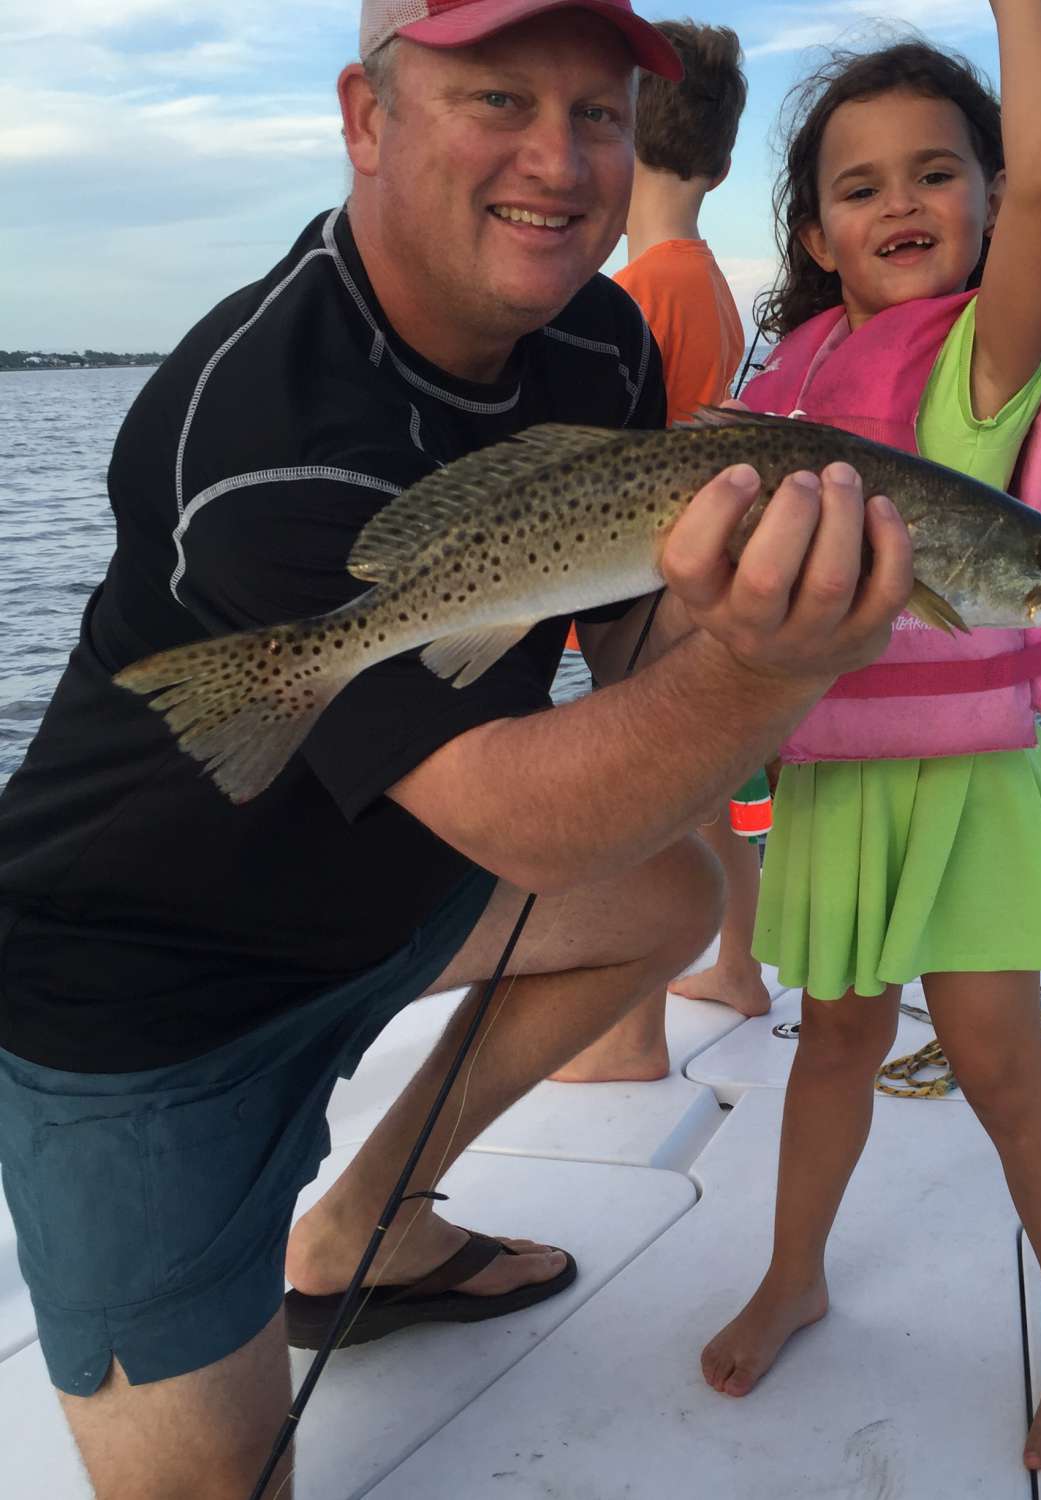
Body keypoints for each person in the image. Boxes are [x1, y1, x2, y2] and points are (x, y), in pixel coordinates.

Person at [0, 3, 914, 1495]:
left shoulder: (603, 342)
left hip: (381, 891)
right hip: (139, 994)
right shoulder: (262, 425)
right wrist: (772, 664)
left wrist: (726, 602)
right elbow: (534, 825)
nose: (559, 160)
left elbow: (622, 650)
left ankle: (372, 1223)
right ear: (368, 118)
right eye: (499, 98)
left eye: (601, 114)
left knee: (668, 903)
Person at [696, 2, 1041, 1479]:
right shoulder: (787, 376)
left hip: (971, 778)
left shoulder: (977, 361)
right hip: (833, 772)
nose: (903, 206)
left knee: (1004, 1061)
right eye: (861, 186)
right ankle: (795, 1270)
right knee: (832, 1041)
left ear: (996, 199)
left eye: (941, 173)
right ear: (813, 233)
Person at [556, 21, 764, 1086]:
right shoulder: (708, 283)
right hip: (683, 587)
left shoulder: (636, 299)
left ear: (622, 133)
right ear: (723, 163)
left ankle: (631, 1038)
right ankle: (737, 963)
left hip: (640, 591)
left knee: (648, 795)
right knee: (700, 789)